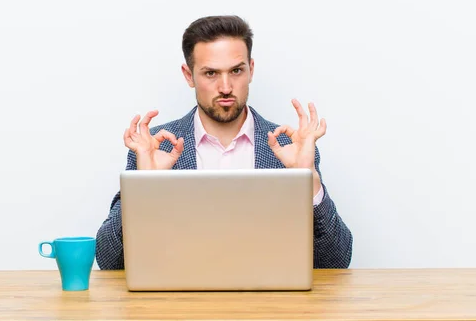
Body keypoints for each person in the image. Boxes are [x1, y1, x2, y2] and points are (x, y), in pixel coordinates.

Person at [95, 15, 352, 269]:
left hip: (269, 303)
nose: (226, 87)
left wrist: (309, 180)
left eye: (236, 71)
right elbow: (109, 261)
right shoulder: (153, 147)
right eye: (211, 73)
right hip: (180, 305)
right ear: (189, 75)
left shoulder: (291, 148)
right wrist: (143, 190)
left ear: (251, 70)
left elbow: (336, 262)